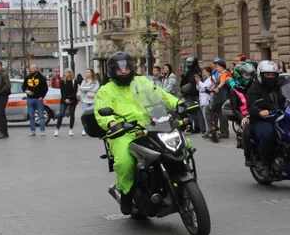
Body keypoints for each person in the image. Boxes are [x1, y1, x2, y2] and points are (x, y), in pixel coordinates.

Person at [93, 52, 184, 215]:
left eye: (126, 68)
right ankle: (125, 193)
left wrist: (180, 105)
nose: (124, 72)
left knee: (183, 144)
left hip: (151, 127)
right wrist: (112, 123)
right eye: (120, 69)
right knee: (124, 162)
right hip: (124, 132)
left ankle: (180, 177)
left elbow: (162, 95)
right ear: (113, 71)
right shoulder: (106, 90)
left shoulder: (143, 82)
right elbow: (101, 111)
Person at [245, 60, 286, 177]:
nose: (270, 77)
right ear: (261, 75)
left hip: (280, 116)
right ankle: (265, 164)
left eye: (273, 75)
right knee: (268, 134)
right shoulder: (255, 87)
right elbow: (251, 104)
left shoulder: (279, 85)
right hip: (261, 119)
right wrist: (259, 111)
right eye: (267, 75)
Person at [208, 58, 232, 142]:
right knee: (220, 114)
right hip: (220, 97)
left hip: (221, 97)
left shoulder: (223, 74)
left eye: (217, 67)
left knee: (217, 113)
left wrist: (217, 88)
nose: (216, 68)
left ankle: (221, 131)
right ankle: (223, 131)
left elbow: (222, 82)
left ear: (222, 67)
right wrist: (215, 83)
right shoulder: (222, 74)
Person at [23, 63, 49, 136]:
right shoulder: (28, 78)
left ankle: (42, 130)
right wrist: (26, 91)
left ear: (36, 70)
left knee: (41, 115)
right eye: (30, 69)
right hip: (30, 99)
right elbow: (23, 86)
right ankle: (32, 130)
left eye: (32, 69)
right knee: (31, 115)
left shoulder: (42, 78)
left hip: (38, 99)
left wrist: (42, 96)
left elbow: (45, 89)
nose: (30, 70)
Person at [179, 58, 204, 133]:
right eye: (188, 63)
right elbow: (184, 82)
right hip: (189, 93)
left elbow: (198, 82)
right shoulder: (189, 71)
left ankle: (198, 127)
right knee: (190, 112)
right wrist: (182, 75)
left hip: (196, 94)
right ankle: (191, 126)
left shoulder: (197, 71)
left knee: (198, 112)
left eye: (190, 63)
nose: (189, 64)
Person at [55, 69, 78, 137]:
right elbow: (62, 91)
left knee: (72, 114)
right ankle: (57, 129)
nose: (65, 74)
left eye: (66, 72)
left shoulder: (74, 81)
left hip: (72, 100)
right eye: (64, 72)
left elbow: (75, 91)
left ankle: (71, 129)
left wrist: (70, 98)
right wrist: (65, 99)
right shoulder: (62, 81)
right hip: (64, 100)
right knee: (61, 114)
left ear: (70, 73)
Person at [78, 68, 100, 134]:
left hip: (93, 100)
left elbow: (96, 89)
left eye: (88, 72)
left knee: (94, 114)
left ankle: (94, 128)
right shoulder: (84, 81)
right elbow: (81, 88)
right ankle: (84, 129)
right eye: (86, 72)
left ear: (92, 73)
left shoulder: (95, 81)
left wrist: (87, 89)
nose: (87, 73)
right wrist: (90, 88)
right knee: (85, 114)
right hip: (85, 100)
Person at [198, 67, 214, 134]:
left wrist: (199, 82)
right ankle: (208, 130)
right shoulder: (206, 79)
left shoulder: (211, 79)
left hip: (207, 99)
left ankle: (209, 130)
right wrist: (198, 83)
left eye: (204, 72)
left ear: (208, 72)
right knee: (205, 116)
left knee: (206, 116)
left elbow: (206, 87)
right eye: (203, 72)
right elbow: (200, 88)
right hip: (202, 98)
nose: (203, 73)